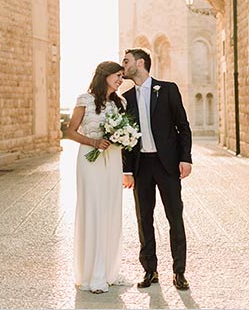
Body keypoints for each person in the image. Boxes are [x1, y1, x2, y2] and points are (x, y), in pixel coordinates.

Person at [120, 48, 192, 291]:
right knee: (144, 219)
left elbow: (183, 126)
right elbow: (125, 139)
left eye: (126, 61)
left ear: (140, 63)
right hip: (142, 166)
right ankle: (150, 270)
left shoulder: (168, 89)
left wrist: (186, 158)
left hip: (167, 165)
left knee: (175, 217)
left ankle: (179, 272)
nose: (123, 65)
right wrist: (127, 170)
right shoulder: (126, 97)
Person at [65, 61, 126, 294]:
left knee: (110, 209)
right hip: (89, 159)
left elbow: (123, 131)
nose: (120, 80)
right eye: (117, 75)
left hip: (112, 160)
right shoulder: (85, 99)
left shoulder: (121, 103)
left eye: (122, 76)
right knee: (94, 209)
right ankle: (93, 273)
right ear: (105, 75)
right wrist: (93, 142)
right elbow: (70, 131)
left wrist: (123, 138)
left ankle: (109, 269)